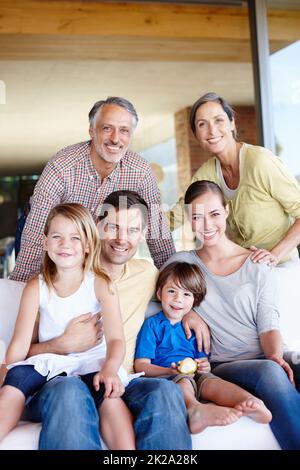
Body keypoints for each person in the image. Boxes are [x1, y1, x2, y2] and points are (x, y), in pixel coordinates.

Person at [21, 190, 208, 450]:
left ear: (143, 235)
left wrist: (191, 313)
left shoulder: (147, 274)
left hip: (127, 379)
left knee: (166, 392)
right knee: (70, 392)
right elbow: (22, 353)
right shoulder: (62, 275)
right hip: (64, 378)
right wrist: (61, 344)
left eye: (132, 230)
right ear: (98, 227)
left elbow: (176, 293)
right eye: (113, 227)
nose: (122, 239)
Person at [165, 179, 300, 450]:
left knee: (280, 365)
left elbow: (269, 324)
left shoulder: (257, 263)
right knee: (270, 374)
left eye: (214, 214)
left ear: (226, 211)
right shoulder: (182, 264)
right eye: (197, 217)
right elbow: (165, 301)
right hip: (227, 363)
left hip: (271, 353)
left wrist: (276, 357)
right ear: (190, 221)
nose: (207, 225)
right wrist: (188, 314)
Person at [1, 203, 136, 450]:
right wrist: (6, 368)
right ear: (45, 242)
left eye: (75, 238)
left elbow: (116, 339)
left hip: (90, 360)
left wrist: (110, 368)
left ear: (87, 246)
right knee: (15, 381)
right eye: (57, 237)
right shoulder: (36, 287)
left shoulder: (100, 283)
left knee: (110, 397)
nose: (65, 244)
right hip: (48, 364)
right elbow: (20, 344)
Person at [10, 96, 174, 282]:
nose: (115, 138)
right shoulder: (63, 165)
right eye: (107, 128)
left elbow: (158, 231)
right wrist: (21, 285)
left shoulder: (141, 172)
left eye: (124, 131)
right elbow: (37, 229)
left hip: (103, 239)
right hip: (53, 232)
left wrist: (174, 282)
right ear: (91, 131)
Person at [134, 261, 272, 434]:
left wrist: (204, 365)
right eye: (171, 291)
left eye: (186, 294)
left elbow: (202, 361)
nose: (178, 299)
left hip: (196, 374)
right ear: (160, 293)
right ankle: (195, 409)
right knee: (183, 381)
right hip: (168, 377)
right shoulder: (152, 325)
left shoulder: (194, 327)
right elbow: (141, 366)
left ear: (194, 300)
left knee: (212, 382)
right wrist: (169, 372)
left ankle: (250, 402)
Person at [169, 92, 300, 266]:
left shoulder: (261, 162)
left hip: (281, 267)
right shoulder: (206, 174)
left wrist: (274, 255)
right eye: (202, 124)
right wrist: (130, 224)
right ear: (196, 134)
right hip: (243, 270)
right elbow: (176, 215)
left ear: (232, 123)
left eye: (218, 120)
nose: (212, 130)